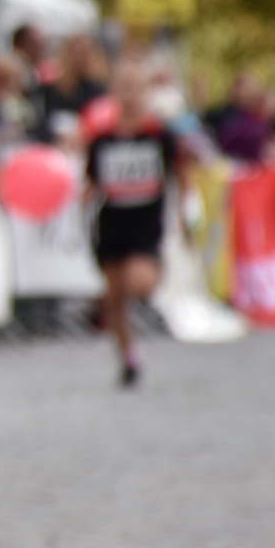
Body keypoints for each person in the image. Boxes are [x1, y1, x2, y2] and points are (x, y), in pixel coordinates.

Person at [85, 59, 185, 388]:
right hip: (112, 221)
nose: (129, 95)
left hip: (146, 222)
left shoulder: (159, 135)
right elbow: (92, 183)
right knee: (115, 299)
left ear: (146, 92)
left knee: (137, 283)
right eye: (123, 87)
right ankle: (128, 357)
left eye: (135, 87)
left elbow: (181, 175)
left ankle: (158, 275)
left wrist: (185, 212)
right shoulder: (101, 139)